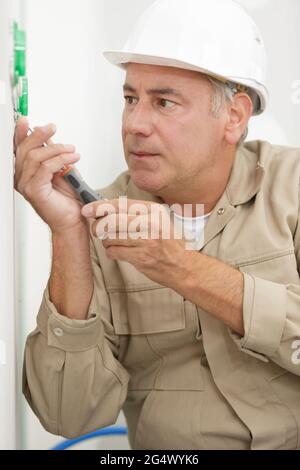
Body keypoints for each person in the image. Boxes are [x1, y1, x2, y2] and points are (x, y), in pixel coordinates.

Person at [15, 0, 300, 450]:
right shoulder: (99, 221)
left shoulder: (293, 187)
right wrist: (68, 234)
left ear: (235, 117)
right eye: (130, 99)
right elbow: (68, 415)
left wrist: (180, 267)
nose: (134, 124)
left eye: (164, 102)